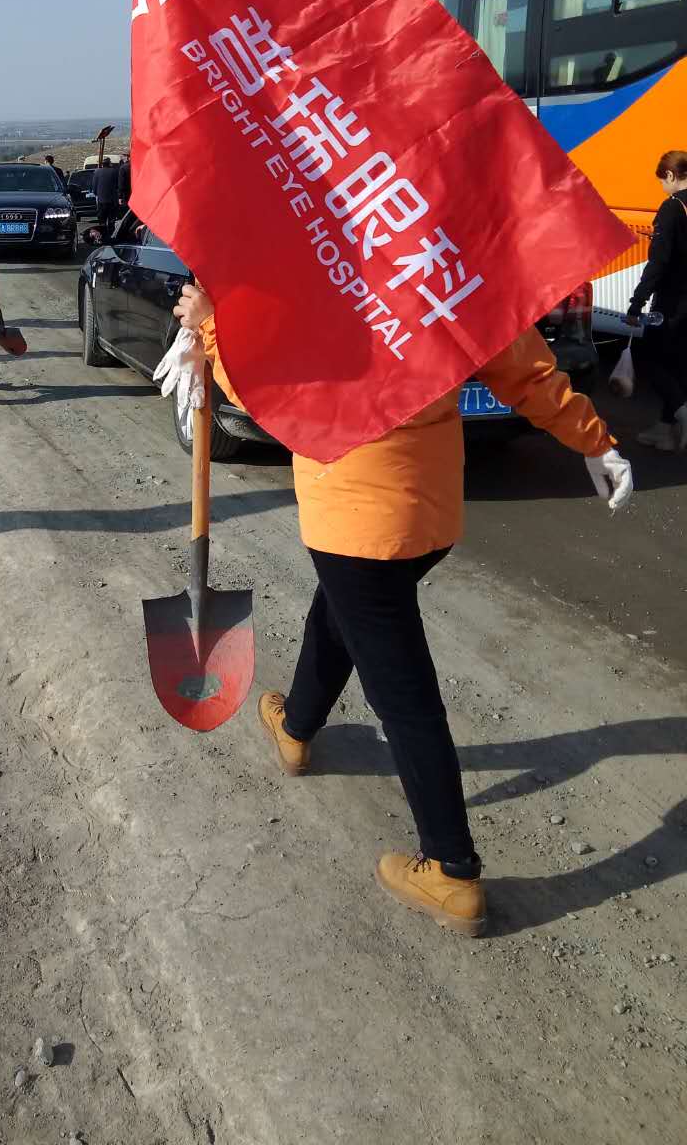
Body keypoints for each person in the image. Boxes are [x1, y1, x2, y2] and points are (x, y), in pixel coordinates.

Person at [172, 282, 632, 936]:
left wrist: (213, 330)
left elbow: (267, 397)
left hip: (355, 516)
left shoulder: (314, 269)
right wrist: (595, 441)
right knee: (339, 613)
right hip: (430, 513)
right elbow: (522, 367)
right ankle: (297, 729)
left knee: (405, 695)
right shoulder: (441, 260)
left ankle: (451, 870)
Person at [626, 149, 687, 449]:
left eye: (662, 179)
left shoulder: (672, 208)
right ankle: (665, 430)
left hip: (672, 302)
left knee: (649, 358)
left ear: (672, 176)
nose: (662, 186)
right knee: (678, 364)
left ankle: (682, 412)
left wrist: (636, 303)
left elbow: (658, 263)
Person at [93, 160, 121, 239]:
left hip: (101, 201)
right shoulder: (114, 172)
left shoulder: (97, 172)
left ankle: (103, 235)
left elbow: (94, 187)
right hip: (112, 201)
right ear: (109, 164)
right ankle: (111, 236)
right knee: (111, 221)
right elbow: (118, 185)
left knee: (102, 221)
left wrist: (97, 193)